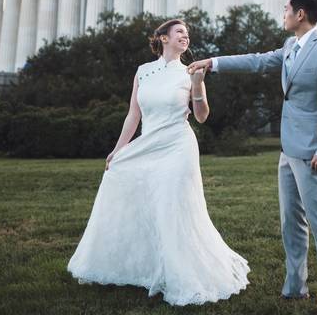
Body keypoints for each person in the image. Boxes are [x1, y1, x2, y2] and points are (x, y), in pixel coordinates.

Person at [187, 0, 317, 314]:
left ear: (300, 14)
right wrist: (213, 63)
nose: (284, 14)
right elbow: (258, 62)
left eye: (286, 8)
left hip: (313, 153)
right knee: (291, 221)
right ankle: (295, 286)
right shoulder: (291, 46)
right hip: (287, 150)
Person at [67, 18, 250, 306]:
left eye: (187, 34)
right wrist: (118, 149)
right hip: (149, 143)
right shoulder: (143, 72)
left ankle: (180, 271)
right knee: (130, 188)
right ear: (163, 38)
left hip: (178, 145)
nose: (185, 37)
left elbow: (201, 116)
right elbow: (133, 115)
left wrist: (198, 85)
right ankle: (141, 266)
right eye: (179, 32)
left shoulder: (189, 72)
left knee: (171, 205)